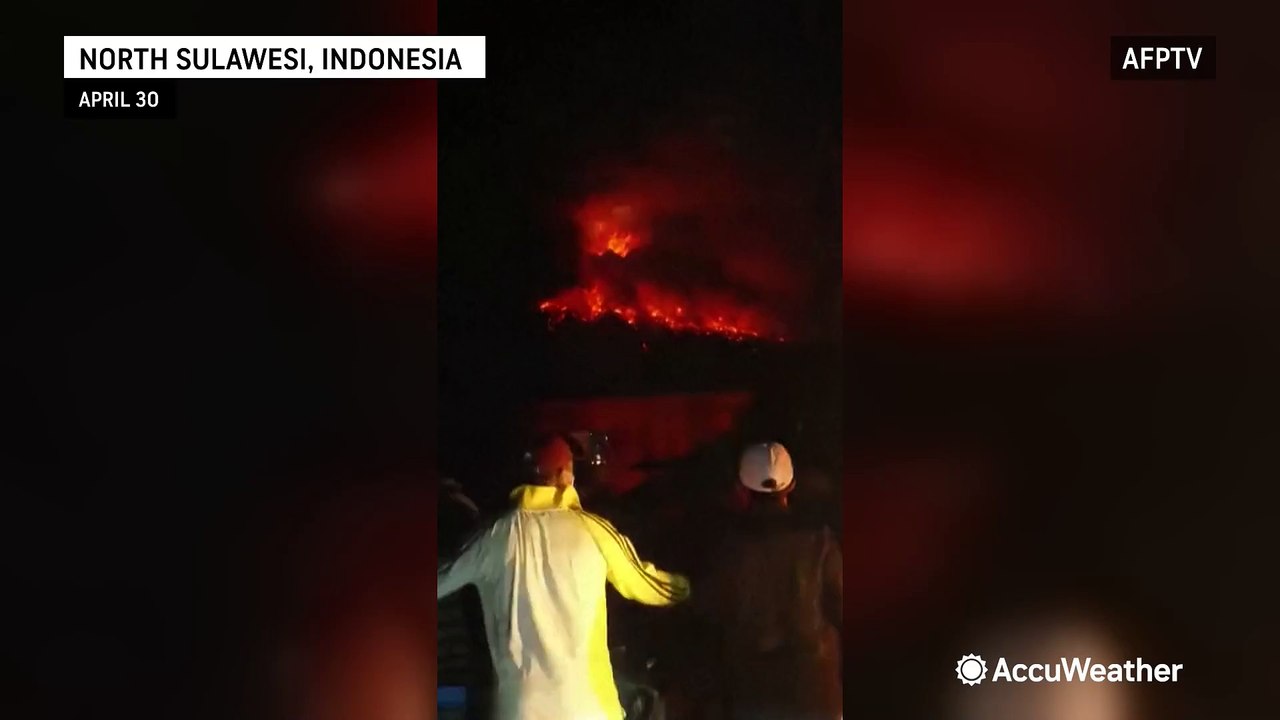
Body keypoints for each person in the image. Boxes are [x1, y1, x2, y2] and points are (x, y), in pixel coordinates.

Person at [437, 435, 691, 720]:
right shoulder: (592, 530)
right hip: (586, 708)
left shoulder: (494, 537)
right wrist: (692, 586)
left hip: (518, 709)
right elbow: (649, 586)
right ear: (563, 476)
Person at [700, 442, 843, 720]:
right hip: (815, 693)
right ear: (790, 487)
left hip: (752, 695)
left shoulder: (726, 549)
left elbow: (709, 614)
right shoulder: (820, 542)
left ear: (741, 491)